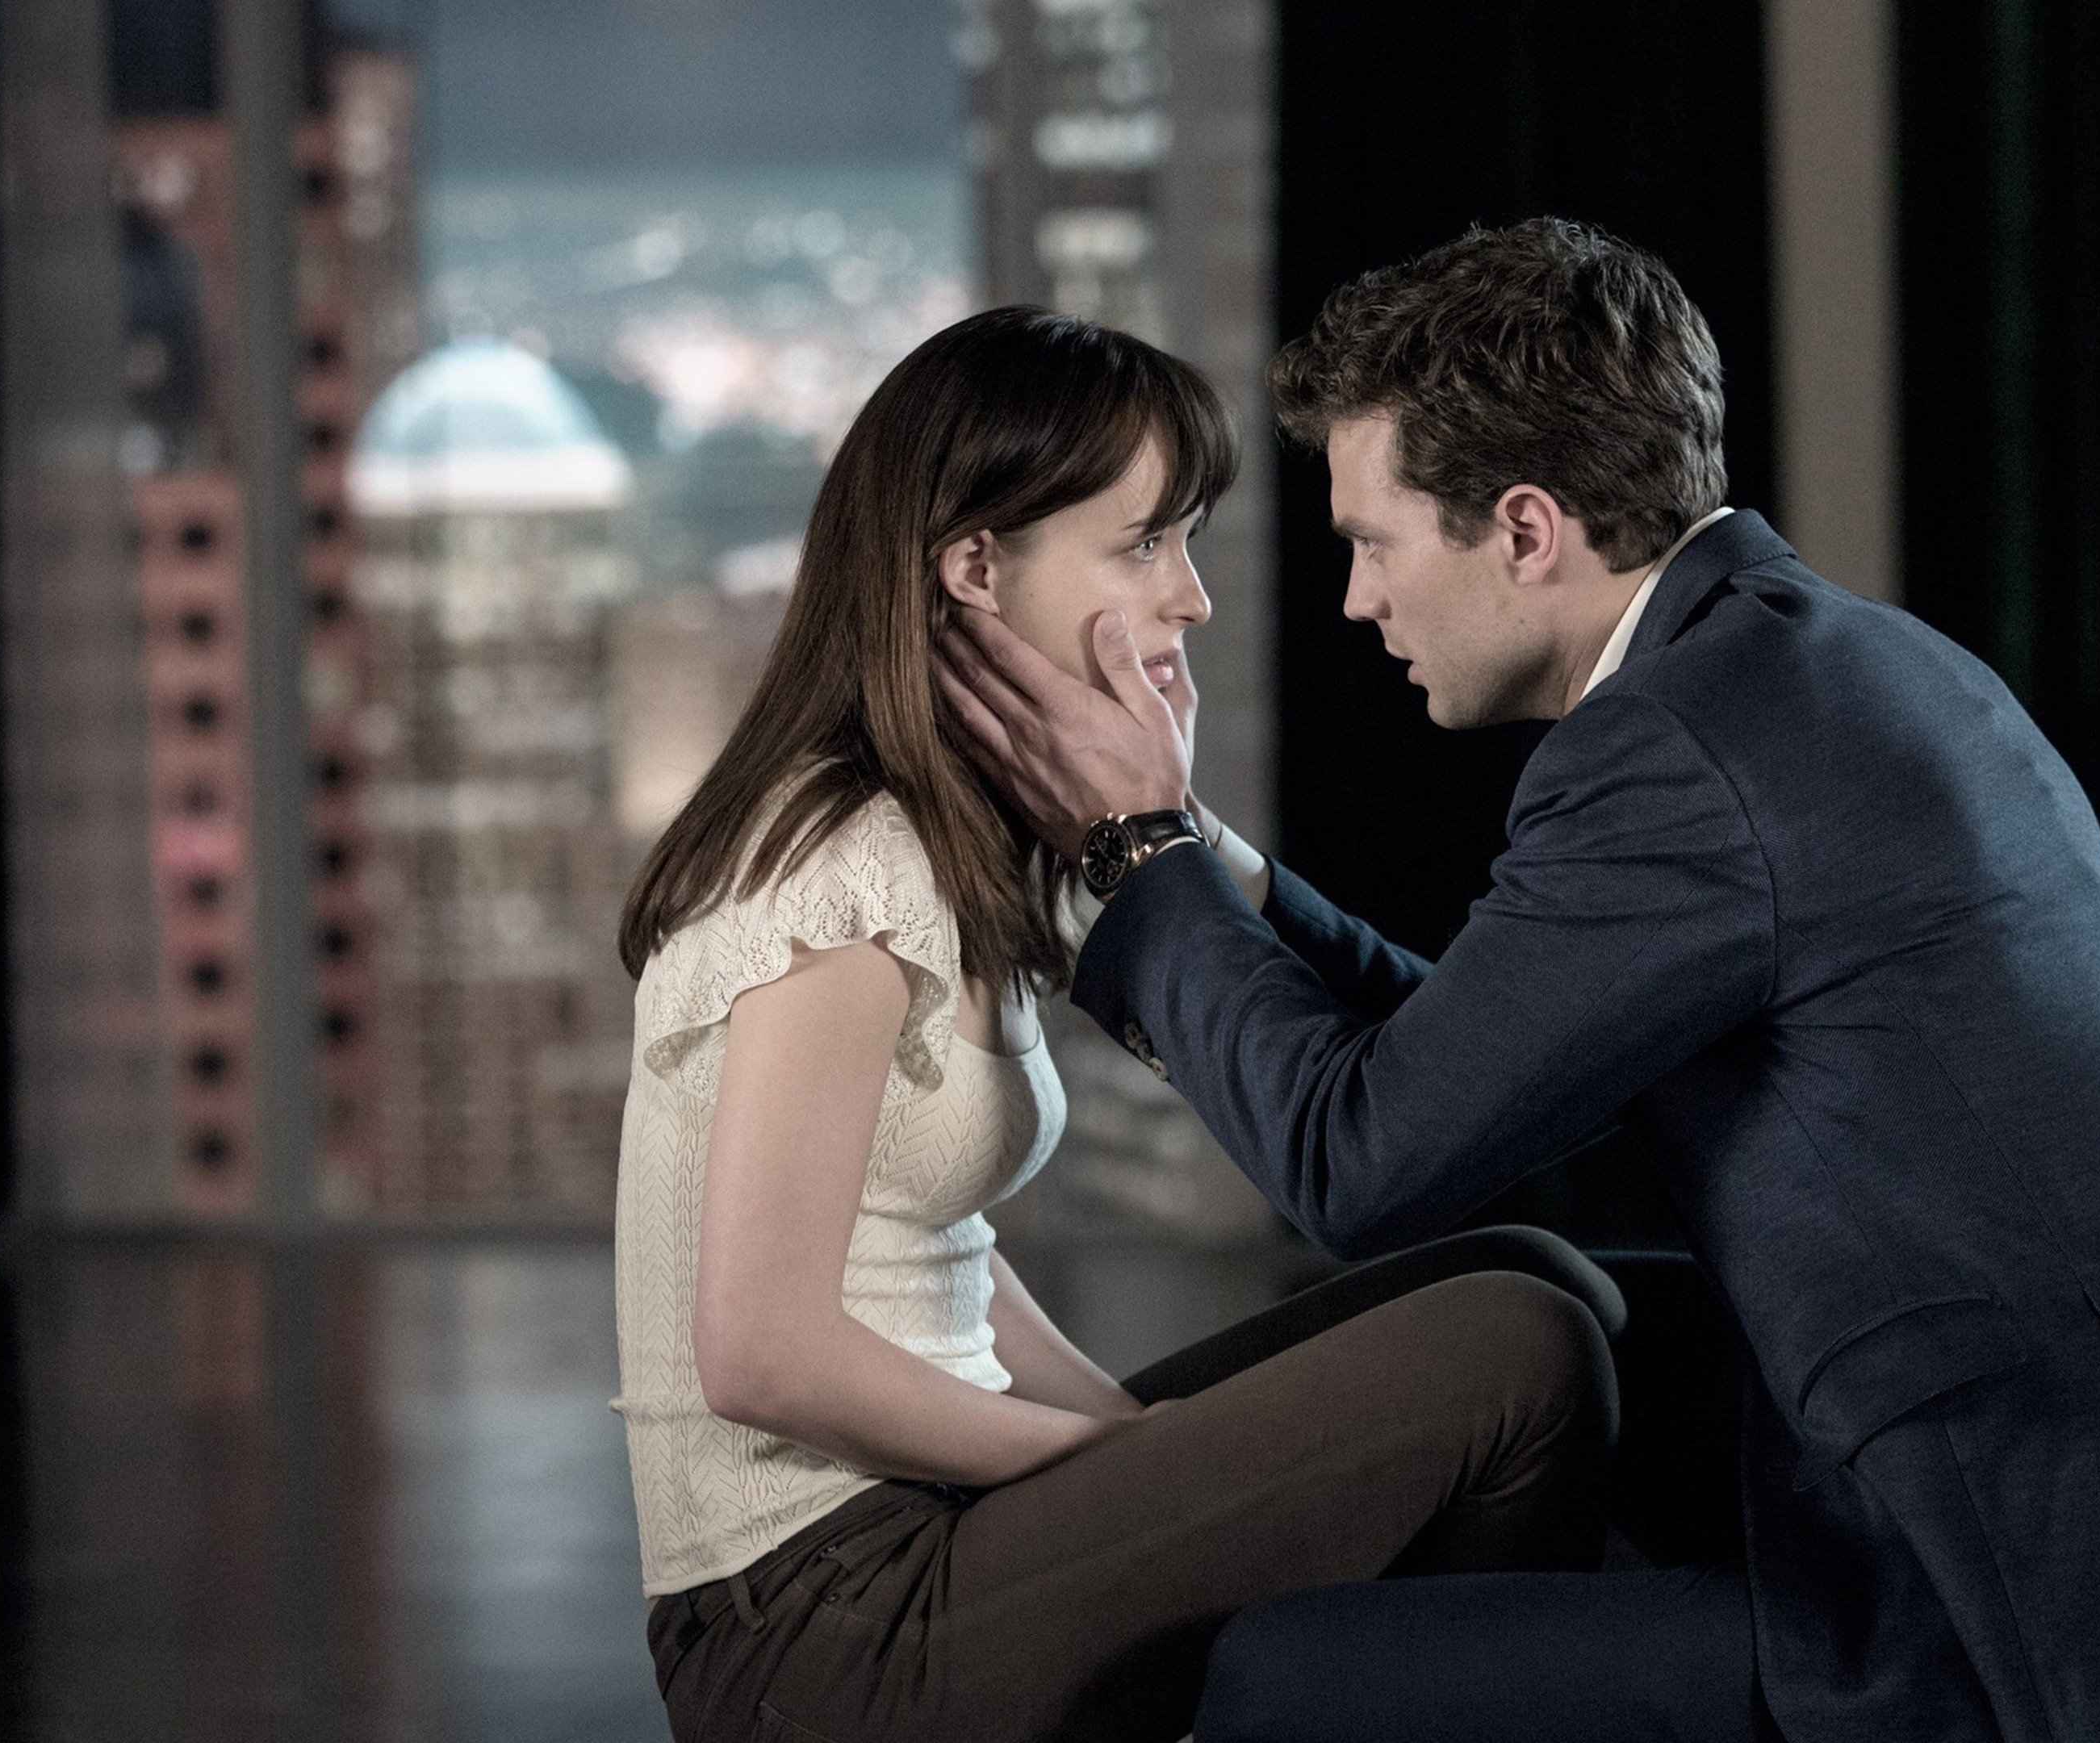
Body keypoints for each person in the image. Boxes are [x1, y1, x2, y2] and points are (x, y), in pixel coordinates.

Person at [939, 219, 2100, 1743]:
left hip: (2030, 1624)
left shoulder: (1676, 749)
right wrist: (1204, 863)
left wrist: (1134, 843)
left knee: (1271, 1680)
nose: (1358, 602)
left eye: (1375, 544)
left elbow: (1360, 1164)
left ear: (1526, 531)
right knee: (1554, 1310)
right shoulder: (1814, 663)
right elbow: (1471, 1056)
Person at [609, 305, 1626, 1743]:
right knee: (1513, 1350)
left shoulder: (956, 835)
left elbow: (932, 1252)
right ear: (976, 569)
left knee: (1531, 1273)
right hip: (818, 1623)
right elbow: (760, 1355)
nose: (1191, 598)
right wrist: (1123, 1457)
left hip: (925, 1532)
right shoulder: (840, 866)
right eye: (1146, 543)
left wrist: (1139, 1449)